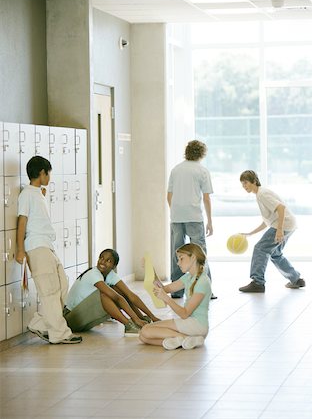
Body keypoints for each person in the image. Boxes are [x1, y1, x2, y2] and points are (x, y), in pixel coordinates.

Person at [16, 156, 82, 344]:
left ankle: (39, 323)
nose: (50, 177)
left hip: (47, 246)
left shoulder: (37, 193)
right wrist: (20, 249)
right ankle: (60, 334)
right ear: (41, 173)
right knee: (50, 291)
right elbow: (22, 222)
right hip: (36, 247)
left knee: (61, 286)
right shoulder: (27, 194)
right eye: (48, 173)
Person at [64, 249, 160, 336]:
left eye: (108, 261)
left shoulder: (109, 274)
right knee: (104, 294)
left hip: (83, 319)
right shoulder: (93, 274)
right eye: (101, 258)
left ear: (114, 266)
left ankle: (142, 320)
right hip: (70, 320)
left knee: (120, 291)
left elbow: (130, 295)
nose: (103, 262)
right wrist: (134, 318)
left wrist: (152, 317)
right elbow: (117, 298)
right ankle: (129, 325)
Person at [239, 170, 305, 293]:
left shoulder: (262, 194)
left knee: (260, 248)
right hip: (289, 224)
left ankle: (258, 282)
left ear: (254, 181)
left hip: (283, 225)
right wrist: (250, 233)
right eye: (242, 184)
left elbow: (281, 208)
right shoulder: (260, 194)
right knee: (275, 254)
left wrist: (279, 229)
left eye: (246, 183)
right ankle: (296, 279)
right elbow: (267, 221)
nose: (244, 186)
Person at [167, 140, 216, 299]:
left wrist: (175, 212)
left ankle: (176, 290)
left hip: (176, 217)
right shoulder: (202, 171)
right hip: (194, 216)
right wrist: (209, 220)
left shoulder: (176, 170)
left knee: (178, 253)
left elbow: (169, 195)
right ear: (201, 153)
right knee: (200, 253)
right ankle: (204, 290)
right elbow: (206, 198)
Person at [139, 243, 211, 350]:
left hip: (197, 326)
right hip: (189, 324)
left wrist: (166, 299)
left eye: (181, 259)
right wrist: (150, 269)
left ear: (193, 258)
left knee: (145, 330)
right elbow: (165, 289)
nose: (178, 263)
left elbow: (184, 314)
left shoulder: (203, 281)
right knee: (143, 337)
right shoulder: (188, 277)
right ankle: (184, 341)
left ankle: (183, 337)